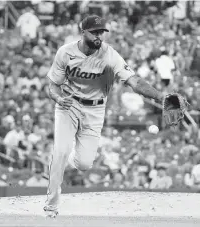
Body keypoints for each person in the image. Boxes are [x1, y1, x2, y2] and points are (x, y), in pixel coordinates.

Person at [44, 15, 166, 218]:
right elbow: (52, 85)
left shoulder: (110, 56)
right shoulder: (65, 53)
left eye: (101, 32)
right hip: (68, 104)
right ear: (83, 32)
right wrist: (57, 98)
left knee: (84, 164)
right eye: (94, 32)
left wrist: (161, 97)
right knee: (60, 152)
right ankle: (51, 206)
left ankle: (69, 154)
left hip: (95, 109)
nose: (99, 36)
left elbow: (134, 81)